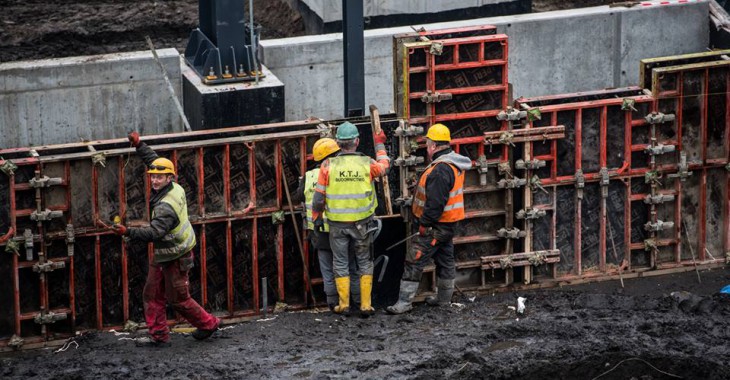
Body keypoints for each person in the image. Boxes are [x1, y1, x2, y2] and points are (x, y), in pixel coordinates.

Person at [112, 131, 220, 347]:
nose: (154, 180)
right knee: (151, 294)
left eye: (158, 177)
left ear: (169, 178)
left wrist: (127, 232)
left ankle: (209, 324)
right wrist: (139, 144)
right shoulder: (173, 185)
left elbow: (154, 233)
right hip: (165, 253)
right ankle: (159, 335)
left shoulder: (166, 206)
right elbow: (154, 161)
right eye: (152, 176)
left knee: (178, 299)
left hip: (177, 254)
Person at [386, 123, 471, 314]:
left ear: (433, 145)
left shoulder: (440, 169)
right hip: (447, 225)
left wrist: (425, 224)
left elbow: (435, 203)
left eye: (428, 144)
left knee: (414, 259)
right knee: (445, 260)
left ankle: (404, 302)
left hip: (435, 226)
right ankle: (443, 300)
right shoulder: (453, 164)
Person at [311, 122, 389, 316]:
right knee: (364, 262)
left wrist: (317, 218)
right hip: (362, 224)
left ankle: (344, 305)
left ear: (338, 143)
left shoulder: (327, 165)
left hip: (337, 225)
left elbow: (318, 198)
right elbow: (385, 167)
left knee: (340, 262)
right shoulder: (367, 163)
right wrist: (379, 145)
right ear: (357, 141)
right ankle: (365, 305)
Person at [298, 138, 360, 310]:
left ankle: (333, 302)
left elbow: (299, 197)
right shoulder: (340, 173)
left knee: (327, 269)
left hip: (318, 231)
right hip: (340, 227)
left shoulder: (308, 177)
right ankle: (355, 300)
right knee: (349, 266)